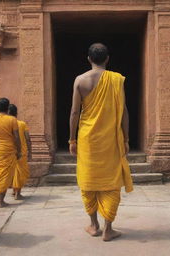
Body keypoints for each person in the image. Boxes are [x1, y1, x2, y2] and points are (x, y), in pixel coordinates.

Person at [69, 43, 133, 242]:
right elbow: (123, 112)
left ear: (89, 59)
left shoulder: (80, 80)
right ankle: (108, 228)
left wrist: (72, 139)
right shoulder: (116, 79)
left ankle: (94, 224)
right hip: (111, 139)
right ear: (107, 59)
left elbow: (74, 112)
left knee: (88, 180)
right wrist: (127, 138)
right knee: (111, 182)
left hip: (87, 138)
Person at [0, 98, 21, 208]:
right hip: (8, 150)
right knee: (5, 175)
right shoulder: (12, 120)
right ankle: (1, 201)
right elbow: (16, 137)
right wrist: (19, 150)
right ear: (7, 107)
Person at [8, 104, 32, 200]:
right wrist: (31, 151)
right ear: (16, 113)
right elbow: (28, 139)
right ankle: (18, 193)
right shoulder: (22, 124)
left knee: (13, 172)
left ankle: (14, 191)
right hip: (21, 151)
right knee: (19, 172)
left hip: (10, 151)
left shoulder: (6, 124)